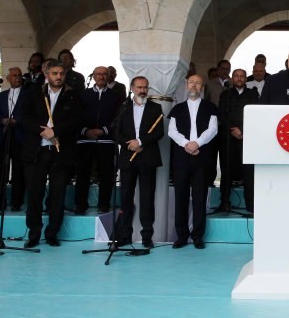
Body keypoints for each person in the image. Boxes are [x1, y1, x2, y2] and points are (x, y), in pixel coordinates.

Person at [17, 59, 83, 248]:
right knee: (34, 194)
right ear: (47, 75)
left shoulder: (73, 96)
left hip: (60, 152)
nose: (58, 77)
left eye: (61, 73)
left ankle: (52, 233)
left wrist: (56, 131)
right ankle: (34, 234)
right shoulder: (32, 92)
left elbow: (78, 120)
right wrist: (42, 131)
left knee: (57, 195)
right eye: (54, 73)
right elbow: (23, 116)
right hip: (36, 151)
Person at [168, 74, 219, 249]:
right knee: (180, 197)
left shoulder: (210, 107)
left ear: (202, 87)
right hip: (181, 158)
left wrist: (196, 143)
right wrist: (187, 145)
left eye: (198, 83)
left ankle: (198, 236)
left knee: (199, 198)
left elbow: (212, 130)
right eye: (191, 82)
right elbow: (172, 131)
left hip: (202, 158)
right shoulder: (177, 108)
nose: (194, 86)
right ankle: (181, 236)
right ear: (187, 85)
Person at [115, 76, 165, 248]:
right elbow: (117, 131)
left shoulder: (155, 108)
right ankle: (124, 235)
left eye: (145, 87)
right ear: (132, 88)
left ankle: (146, 237)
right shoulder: (123, 107)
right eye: (139, 87)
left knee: (147, 197)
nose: (142, 90)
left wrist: (141, 142)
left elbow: (159, 132)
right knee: (126, 198)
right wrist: (130, 145)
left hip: (147, 157)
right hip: (128, 158)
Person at [75, 66, 120, 214]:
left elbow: (118, 118)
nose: (101, 77)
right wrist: (85, 131)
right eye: (98, 74)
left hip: (106, 141)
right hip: (85, 140)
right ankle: (80, 205)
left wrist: (104, 131)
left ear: (108, 77)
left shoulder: (115, 96)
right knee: (83, 173)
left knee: (107, 174)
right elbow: (76, 116)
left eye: (104, 74)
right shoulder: (83, 94)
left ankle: (104, 204)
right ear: (93, 76)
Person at [217, 68, 258, 213]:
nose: (239, 78)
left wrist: (243, 131)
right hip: (228, 138)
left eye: (242, 76)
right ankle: (225, 202)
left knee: (249, 172)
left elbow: (255, 114)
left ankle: (250, 204)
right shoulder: (225, 94)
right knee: (226, 169)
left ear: (246, 79)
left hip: (247, 138)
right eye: (236, 76)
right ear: (232, 78)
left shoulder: (253, 94)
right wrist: (233, 129)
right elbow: (221, 114)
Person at [0, 67, 25, 212]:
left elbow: (30, 112)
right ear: (8, 78)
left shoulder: (28, 95)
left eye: (19, 75)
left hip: (20, 136)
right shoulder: (1, 96)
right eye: (14, 75)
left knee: (19, 171)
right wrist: (3, 120)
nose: (17, 78)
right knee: (0, 171)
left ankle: (17, 203)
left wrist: (18, 120)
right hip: (3, 136)